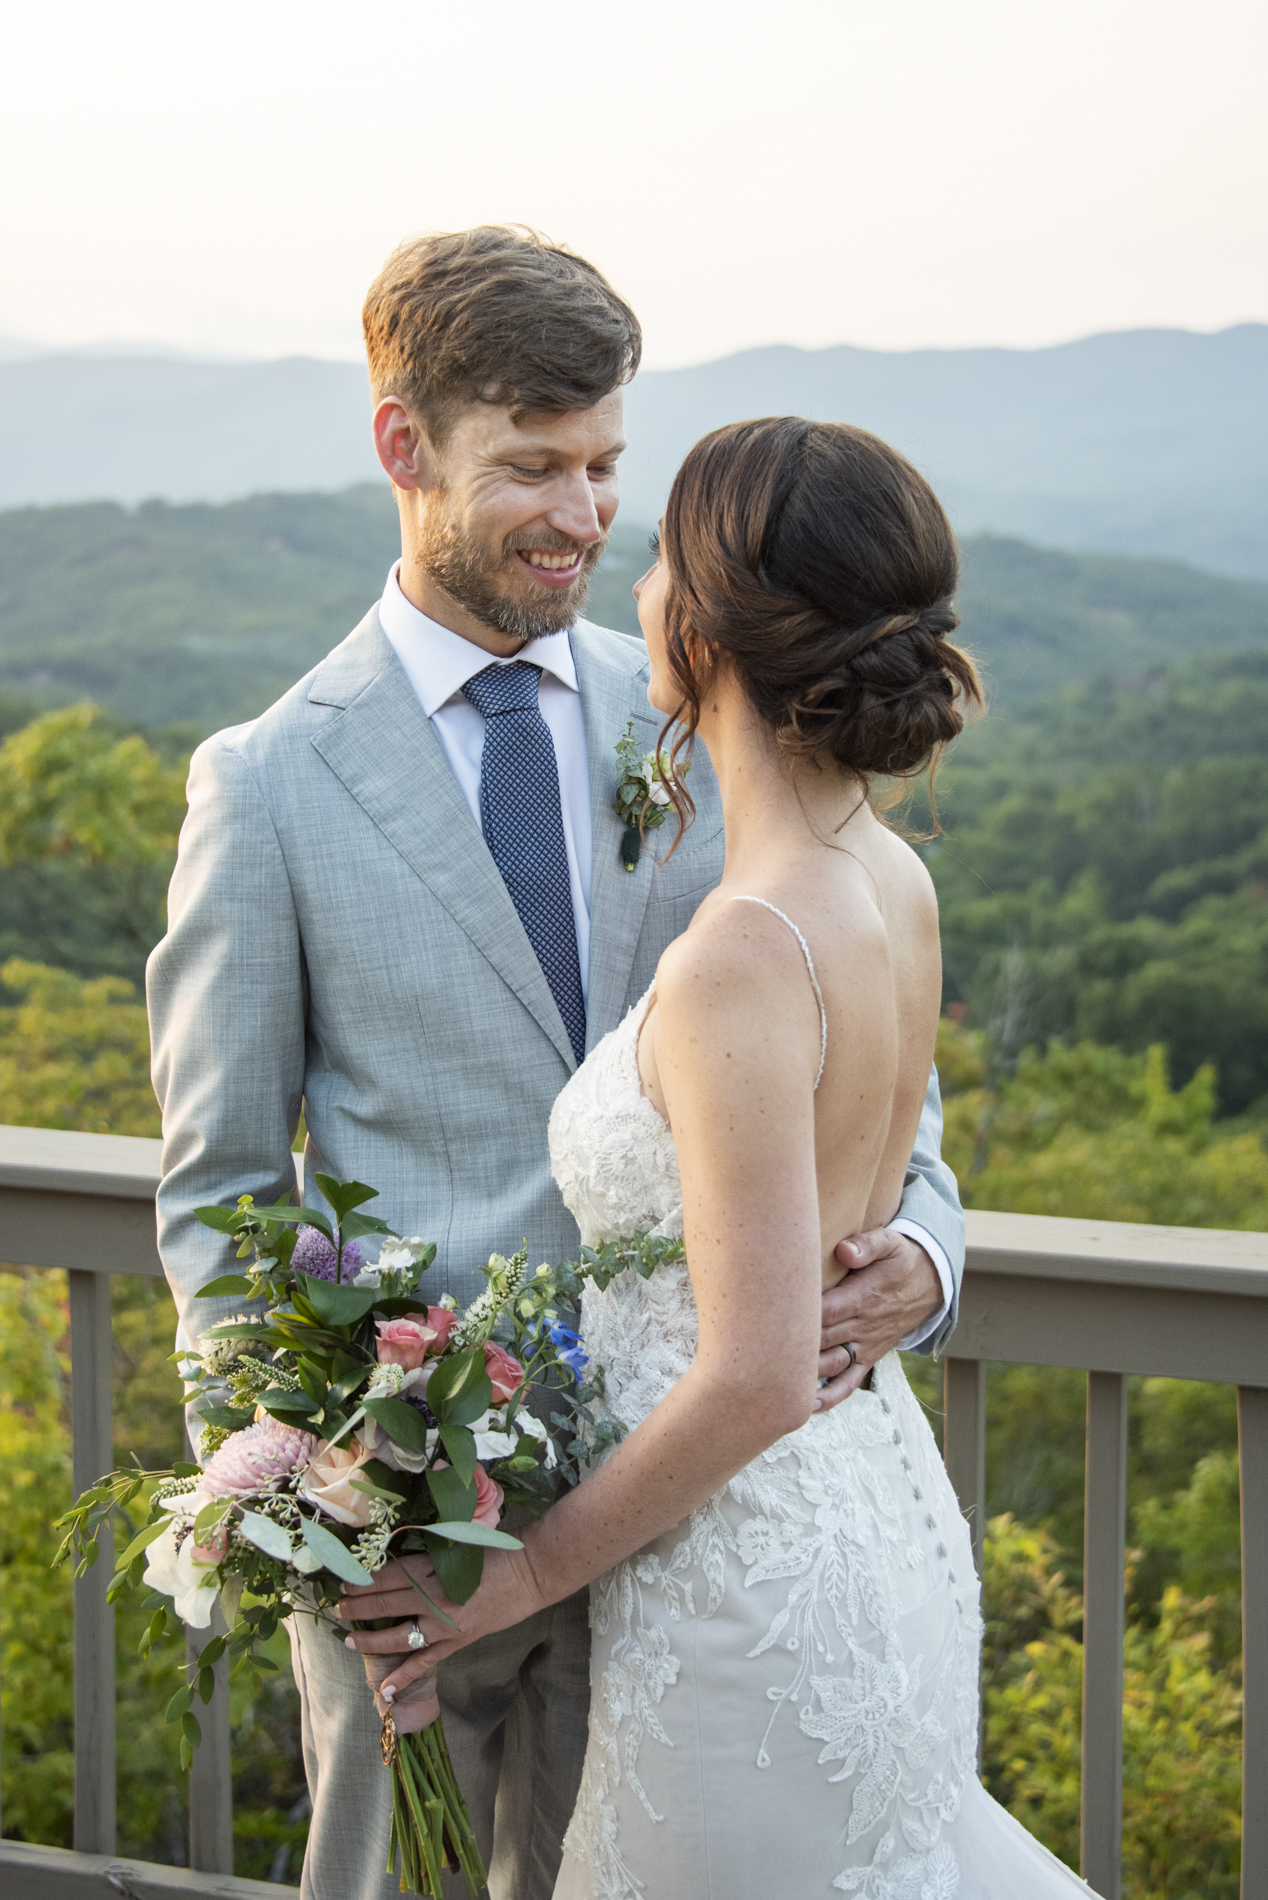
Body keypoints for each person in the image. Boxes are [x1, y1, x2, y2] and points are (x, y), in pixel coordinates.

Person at [147, 229, 965, 1900]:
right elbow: (223, 1194)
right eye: (534, 467)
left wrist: (930, 1256)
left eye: (606, 466)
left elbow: (884, 1073)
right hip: (426, 1539)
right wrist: (308, 1508)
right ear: (404, 448)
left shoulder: (700, 706)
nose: (586, 517)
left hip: (692, 1521)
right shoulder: (269, 787)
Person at [342, 418, 1103, 1897]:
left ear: (694, 632)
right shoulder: (895, 877)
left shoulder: (738, 957)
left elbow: (754, 1369)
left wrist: (523, 1575)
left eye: (652, 569)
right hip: (873, 1519)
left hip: (747, 1592)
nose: (631, 596)